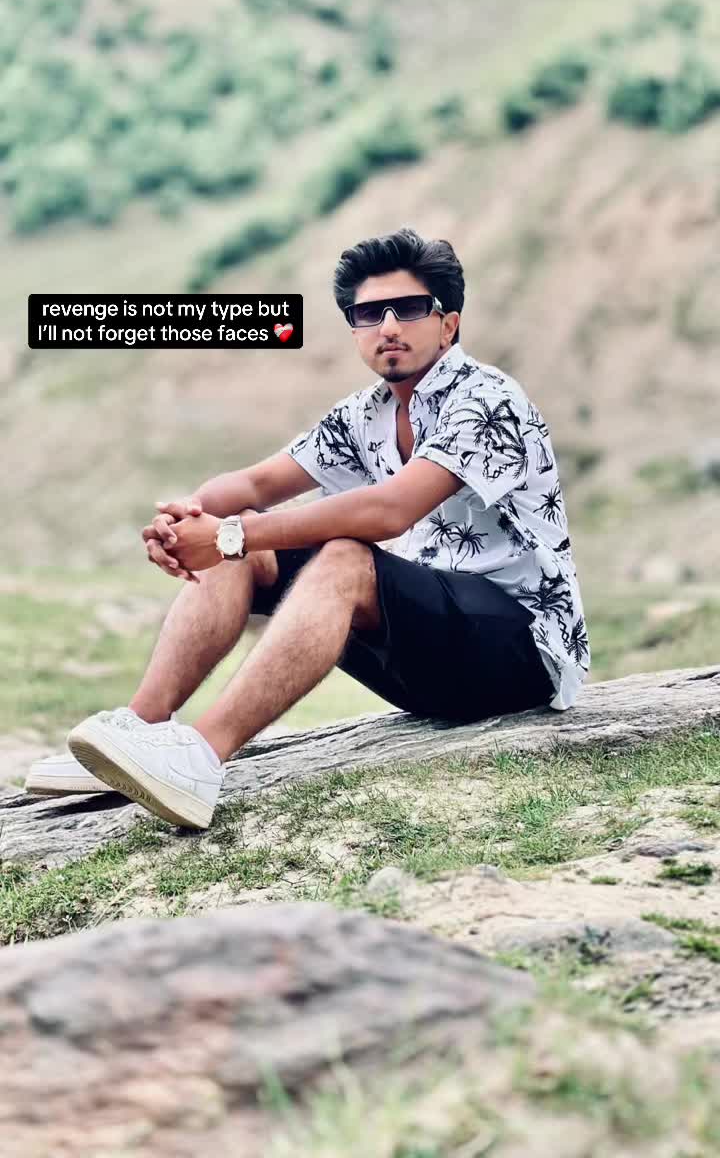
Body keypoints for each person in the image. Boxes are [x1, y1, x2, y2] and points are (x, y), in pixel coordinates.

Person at [26, 227, 590, 829]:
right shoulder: (365, 413)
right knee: (245, 547)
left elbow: (389, 511)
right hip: (430, 658)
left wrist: (228, 535)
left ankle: (200, 760)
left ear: (448, 324)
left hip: (521, 654)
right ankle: (138, 733)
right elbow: (257, 484)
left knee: (339, 556)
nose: (388, 326)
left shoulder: (488, 398)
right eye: (369, 314)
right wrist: (185, 515)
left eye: (408, 309)